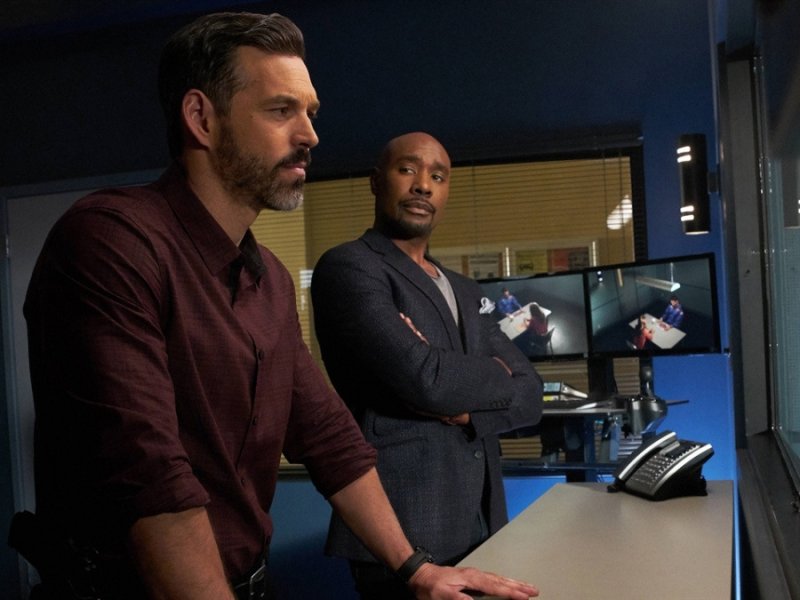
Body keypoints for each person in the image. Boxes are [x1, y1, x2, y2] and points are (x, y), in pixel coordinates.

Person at [21, 13, 539, 600]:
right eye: (281, 110)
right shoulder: (112, 241)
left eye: (310, 113)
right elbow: (150, 477)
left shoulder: (266, 276)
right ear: (201, 118)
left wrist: (415, 568)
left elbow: (327, 436)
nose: (310, 135)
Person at [311, 132, 544, 599]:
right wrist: (495, 373)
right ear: (376, 181)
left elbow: (532, 392)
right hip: (404, 532)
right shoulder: (350, 267)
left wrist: (467, 410)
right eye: (407, 170)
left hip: (483, 520)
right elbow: (428, 381)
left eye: (438, 176)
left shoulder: (466, 290)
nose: (423, 185)